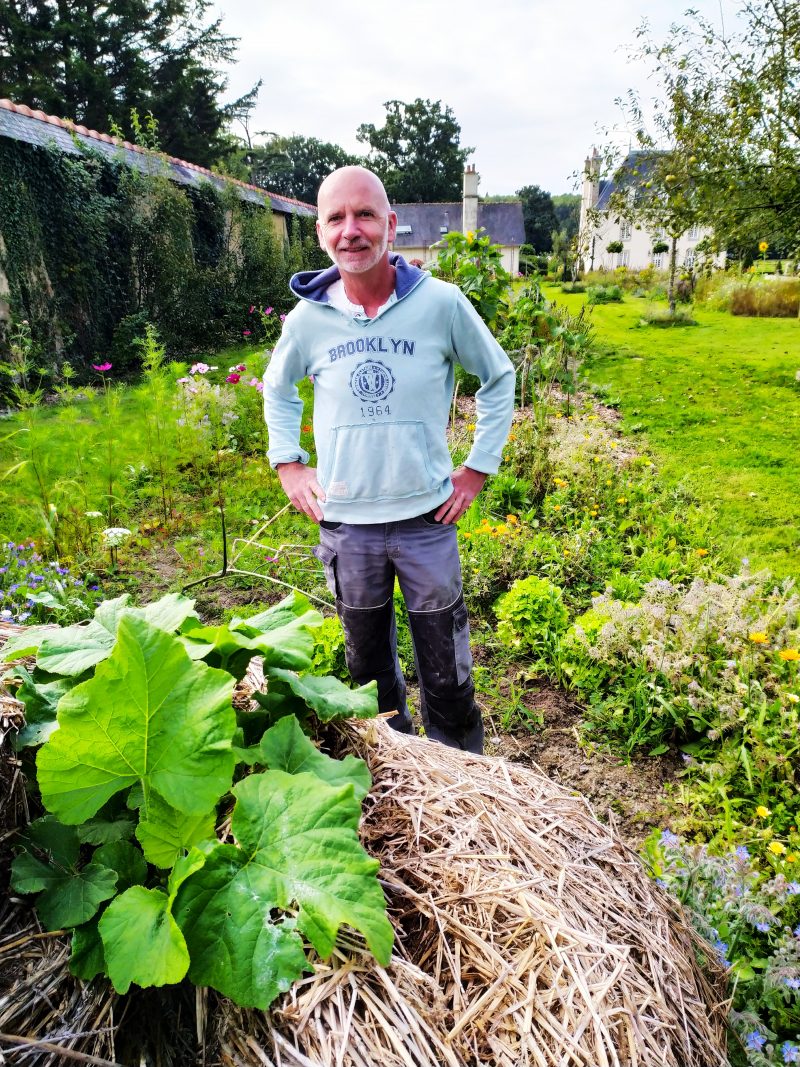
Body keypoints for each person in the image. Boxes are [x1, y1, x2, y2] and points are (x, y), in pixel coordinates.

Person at [263, 166, 514, 755]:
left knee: (448, 678)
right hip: (348, 526)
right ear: (321, 233)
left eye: (365, 215)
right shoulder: (306, 321)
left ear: (391, 227)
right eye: (336, 218)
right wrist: (289, 464)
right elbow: (278, 388)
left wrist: (477, 468)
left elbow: (498, 377)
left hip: (428, 522)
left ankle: (463, 777)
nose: (352, 230)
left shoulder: (442, 305)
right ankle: (396, 771)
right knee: (370, 679)